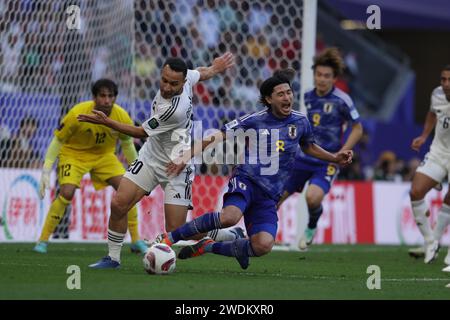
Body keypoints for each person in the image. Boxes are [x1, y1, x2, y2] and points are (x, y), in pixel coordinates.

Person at [154, 72, 353, 270]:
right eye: (281, 94)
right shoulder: (255, 120)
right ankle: (169, 238)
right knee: (229, 217)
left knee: (263, 245)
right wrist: (186, 156)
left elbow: (309, 146)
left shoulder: (301, 121)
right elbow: (217, 135)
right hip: (246, 180)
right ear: (269, 99)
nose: (287, 98)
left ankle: (209, 247)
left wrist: (334, 157)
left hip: (269, 195)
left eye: (289, 92)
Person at [79, 54, 244, 269]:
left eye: (173, 84)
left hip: (177, 165)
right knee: (119, 203)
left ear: (182, 83)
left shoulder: (175, 109)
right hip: (150, 157)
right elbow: (199, 73)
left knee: (176, 228)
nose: (166, 87)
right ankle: (112, 258)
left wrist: (107, 122)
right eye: (164, 80)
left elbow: (140, 132)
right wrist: (213, 68)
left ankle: (227, 234)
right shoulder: (186, 79)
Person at [33, 79, 147, 254]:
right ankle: (42, 240)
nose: (107, 100)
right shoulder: (77, 113)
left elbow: (127, 143)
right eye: (102, 96)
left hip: (104, 156)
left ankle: (136, 240)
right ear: (94, 97)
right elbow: (58, 139)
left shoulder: (121, 115)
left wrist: (138, 169)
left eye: (111, 96)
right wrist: (46, 169)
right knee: (67, 192)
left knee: (128, 189)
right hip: (74, 155)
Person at [277, 48, 363, 250]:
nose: (322, 79)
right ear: (314, 74)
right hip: (303, 157)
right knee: (275, 197)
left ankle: (311, 226)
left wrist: (342, 151)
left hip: (328, 160)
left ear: (334, 79)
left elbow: (358, 128)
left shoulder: (342, 100)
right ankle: (262, 236)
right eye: (319, 75)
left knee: (312, 197)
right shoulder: (307, 96)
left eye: (327, 76)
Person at [407, 65, 450, 264]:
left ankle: (436, 242)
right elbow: (433, 113)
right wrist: (424, 135)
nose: (446, 84)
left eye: (449, 80)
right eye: (443, 79)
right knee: (416, 191)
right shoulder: (437, 94)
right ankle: (430, 241)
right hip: (439, 151)